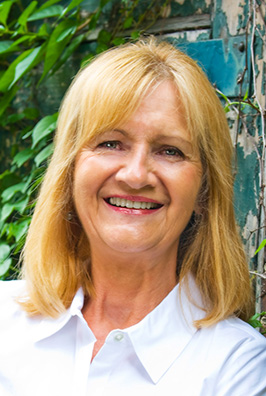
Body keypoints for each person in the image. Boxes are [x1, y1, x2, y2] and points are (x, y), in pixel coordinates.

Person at [0, 37, 266, 396]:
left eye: (170, 151)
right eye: (111, 143)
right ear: (70, 170)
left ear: (204, 190)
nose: (136, 175)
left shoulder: (238, 367)